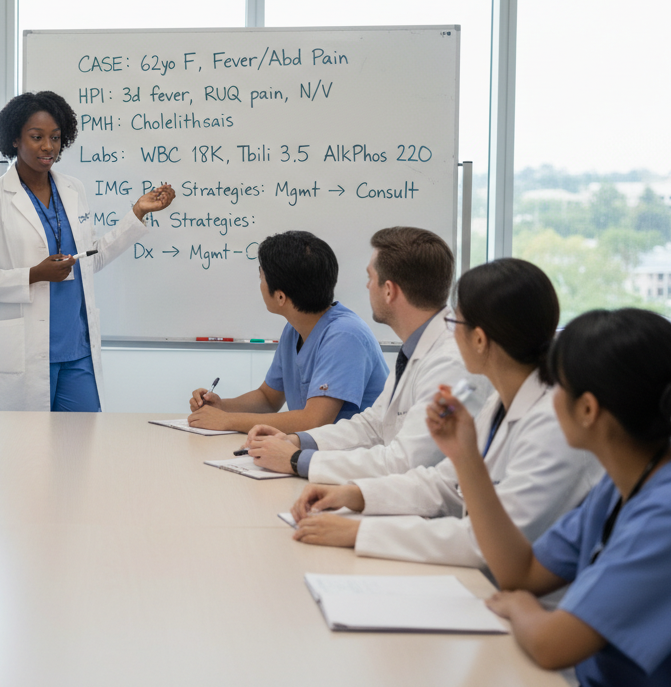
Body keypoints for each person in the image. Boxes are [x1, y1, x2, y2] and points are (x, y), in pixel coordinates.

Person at [428, 308, 671, 687]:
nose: (550, 399)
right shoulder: (622, 484)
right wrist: (466, 457)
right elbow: (519, 572)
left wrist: (521, 605)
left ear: (589, 409)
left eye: (556, 387)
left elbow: (551, 645)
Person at [288, 258, 603, 569]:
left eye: (456, 323)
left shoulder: (552, 426)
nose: (451, 334)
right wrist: (353, 494)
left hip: (530, 602)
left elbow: (492, 541)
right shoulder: (499, 404)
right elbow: (445, 484)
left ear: (479, 339)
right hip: (484, 580)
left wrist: (360, 531)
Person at [0, 90, 175, 411]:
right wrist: (34, 275)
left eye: (55, 137)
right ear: (14, 140)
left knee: (81, 451)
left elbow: (89, 259)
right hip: (22, 353)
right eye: (36, 137)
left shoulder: (73, 190)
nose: (48, 147)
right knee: (23, 455)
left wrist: (137, 213)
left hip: (77, 350)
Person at [243, 227, 491, 480]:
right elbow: (373, 425)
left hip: (431, 508)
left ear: (389, 291)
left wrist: (296, 460)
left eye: (370, 277)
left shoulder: (452, 364)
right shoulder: (416, 349)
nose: (367, 285)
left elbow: (407, 461)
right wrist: (296, 440)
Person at [187, 230, 386, 433]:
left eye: (261, 278)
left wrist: (227, 421)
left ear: (281, 297)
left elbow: (314, 421)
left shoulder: (345, 336)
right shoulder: (294, 329)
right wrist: (221, 407)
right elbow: (267, 399)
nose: (261, 285)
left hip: (359, 457)